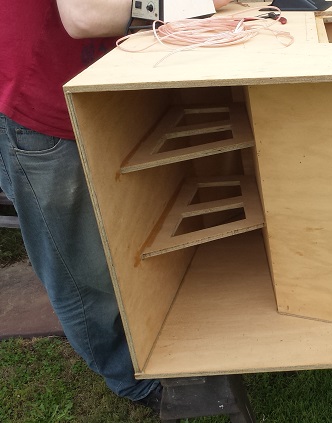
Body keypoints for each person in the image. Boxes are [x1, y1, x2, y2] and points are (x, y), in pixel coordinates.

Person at [0, 0, 231, 414]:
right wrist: (202, 3)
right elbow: (85, 15)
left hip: (99, 89)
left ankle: (153, 342)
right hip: (44, 103)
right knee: (81, 271)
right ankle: (135, 381)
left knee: (129, 233)